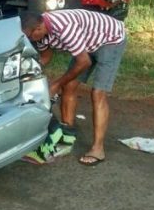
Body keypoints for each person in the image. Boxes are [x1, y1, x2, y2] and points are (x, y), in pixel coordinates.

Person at [21, 9, 126, 166]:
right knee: (69, 86)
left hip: (110, 39)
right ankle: (66, 140)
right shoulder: (39, 33)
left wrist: (56, 84)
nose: (29, 40)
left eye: (30, 36)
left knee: (98, 93)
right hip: (87, 43)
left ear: (39, 28)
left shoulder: (64, 27)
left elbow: (84, 62)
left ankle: (98, 149)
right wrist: (25, 73)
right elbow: (46, 57)